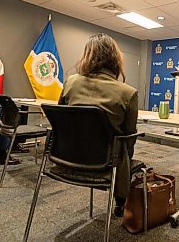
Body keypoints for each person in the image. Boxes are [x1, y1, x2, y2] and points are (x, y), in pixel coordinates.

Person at [58, 33, 139, 217]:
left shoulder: (70, 83)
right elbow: (130, 138)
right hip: (105, 162)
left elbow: (62, 119)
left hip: (67, 157)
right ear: (116, 59)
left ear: (87, 56)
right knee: (125, 149)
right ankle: (120, 202)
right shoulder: (128, 93)